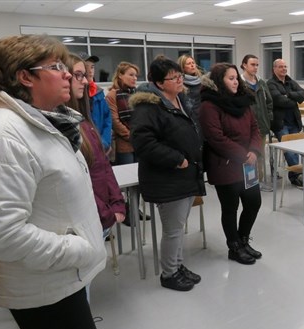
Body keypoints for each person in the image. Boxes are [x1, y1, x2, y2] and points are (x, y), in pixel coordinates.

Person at [0, 34, 107, 329]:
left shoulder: (48, 122)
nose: (69, 73)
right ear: (25, 76)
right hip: (44, 285)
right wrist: (79, 249)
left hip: (58, 277)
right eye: (57, 66)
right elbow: (2, 232)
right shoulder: (6, 134)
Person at [130, 57, 205, 291]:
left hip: (185, 175)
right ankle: (169, 273)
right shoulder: (149, 107)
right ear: (160, 84)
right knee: (173, 230)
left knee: (179, 227)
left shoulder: (179, 99)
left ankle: (178, 265)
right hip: (168, 177)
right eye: (174, 78)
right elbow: (143, 143)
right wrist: (177, 159)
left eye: (179, 76)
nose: (180, 80)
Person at [66, 53, 125, 329]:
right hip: (86, 220)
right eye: (78, 74)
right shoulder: (63, 127)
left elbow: (103, 169)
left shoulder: (82, 120)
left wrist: (117, 203)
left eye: (85, 74)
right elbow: (77, 185)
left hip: (98, 218)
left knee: (84, 286)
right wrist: (106, 211)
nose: (86, 80)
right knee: (76, 290)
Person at [199, 63, 263, 265]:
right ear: (220, 81)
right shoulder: (209, 106)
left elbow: (255, 128)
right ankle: (234, 247)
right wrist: (243, 154)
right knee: (230, 208)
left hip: (248, 163)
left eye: (236, 78)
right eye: (230, 78)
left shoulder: (242, 102)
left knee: (254, 203)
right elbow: (216, 138)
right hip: (225, 165)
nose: (236, 82)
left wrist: (253, 151)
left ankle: (243, 240)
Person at [105, 61, 149, 225]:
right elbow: (114, 120)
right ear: (120, 75)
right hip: (125, 144)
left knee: (138, 179)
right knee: (125, 182)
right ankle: (125, 212)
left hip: (139, 143)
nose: (134, 78)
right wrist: (131, 135)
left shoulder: (136, 94)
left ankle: (135, 209)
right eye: (131, 74)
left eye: (136, 75)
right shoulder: (112, 95)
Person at [267, 58, 304, 188]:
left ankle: (294, 176)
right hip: (280, 124)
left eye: (285, 67)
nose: (284, 69)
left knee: (296, 149)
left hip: (294, 121)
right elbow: (279, 101)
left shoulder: (290, 81)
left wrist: (288, 95)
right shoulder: (271, 84)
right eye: (280, 67)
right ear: (274, 69)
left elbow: (303, 94)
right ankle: (299, 173)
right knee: (289, 151)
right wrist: (293, 99)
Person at [241, 54, 274, 192]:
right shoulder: (240, 84)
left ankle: (257, 181)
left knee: (259, 154)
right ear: (244, 65)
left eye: (257, 65)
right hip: (245, 128)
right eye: (252, 64)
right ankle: (246, 181)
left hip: (261, 126)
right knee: (245, 155)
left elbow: (269, 103)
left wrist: (268, 119)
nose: (255, 67)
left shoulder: (261, 83)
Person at [80, 52, 113, 154]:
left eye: (92, 67)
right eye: (86, 67)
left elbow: (107, 120)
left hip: (102, 147)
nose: (90, 71)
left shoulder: (98, 93)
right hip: (85, 149)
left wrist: (105, 143)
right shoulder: (75, 95)